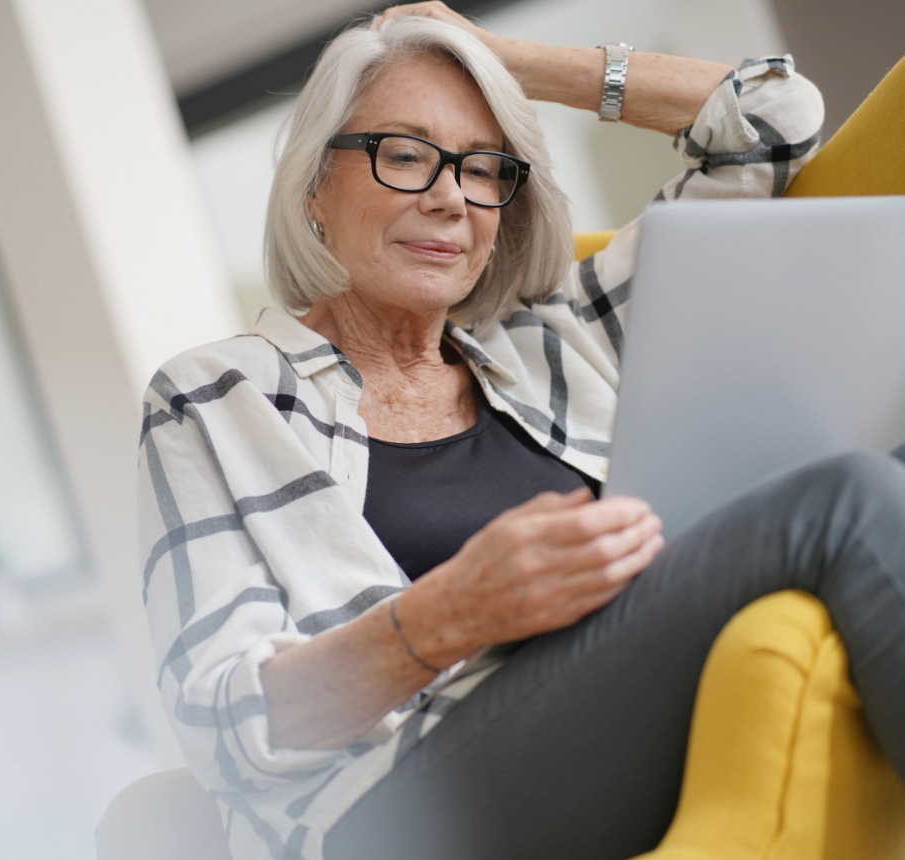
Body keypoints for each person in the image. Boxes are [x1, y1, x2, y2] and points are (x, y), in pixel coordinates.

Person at [137, 5, 905, 859]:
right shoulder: (217, 395)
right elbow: (222, 722)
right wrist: (451, 614)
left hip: (620, 706)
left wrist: (500, 61)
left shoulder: (557, 336)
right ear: (315, 186)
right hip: (394, 805)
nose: (449, 197)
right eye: (404, 154)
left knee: (888, 452)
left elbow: (769, 118)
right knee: (843, 501)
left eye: (482, 166)